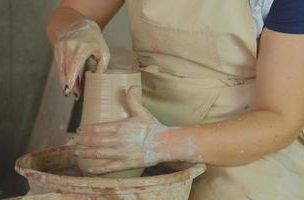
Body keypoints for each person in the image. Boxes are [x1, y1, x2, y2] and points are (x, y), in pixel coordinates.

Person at [47, 0, 304, 199]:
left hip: (241, 139)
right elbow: (70, 12)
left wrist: (156, 143)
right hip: (136, 120)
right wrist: (74, 29)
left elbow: (281, 120)